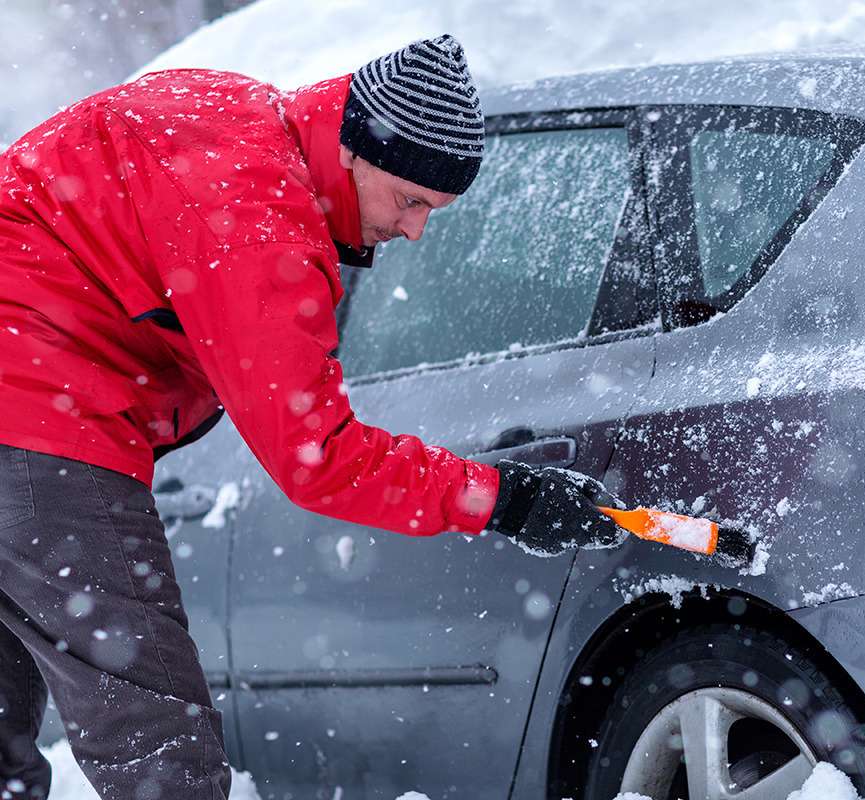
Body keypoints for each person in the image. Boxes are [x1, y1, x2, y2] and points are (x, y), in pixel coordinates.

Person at [0, 35, 621, 799]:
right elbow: (318, 458)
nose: (416, 230)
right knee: (157, 739)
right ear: (361, 151)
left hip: (27, 397)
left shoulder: (233, 113)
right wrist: (500, 497)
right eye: (411, 199)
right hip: (36, 415)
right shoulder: (262, 217)